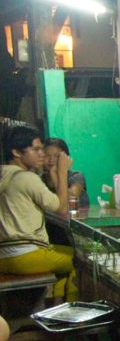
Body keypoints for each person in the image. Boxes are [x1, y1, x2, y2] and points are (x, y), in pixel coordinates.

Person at [0, 125, 77, 301]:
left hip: (3, 256)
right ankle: (73, 317)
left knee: (70, 252)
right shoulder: (26, 178)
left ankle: (57, 304)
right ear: (17, 152)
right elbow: (61, 209)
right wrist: (62, 171)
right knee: (82, 262)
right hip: (24, 256)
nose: (41, 154)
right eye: (35, 149)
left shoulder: (3, 174)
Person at [43, 137, 89, 209]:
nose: (51, 159)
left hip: (76, 219)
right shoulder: (39, 179)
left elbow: (71, 200)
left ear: (66, 158)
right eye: (47, 156)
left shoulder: (76, 176)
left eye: (57, 156)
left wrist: (53, 174)